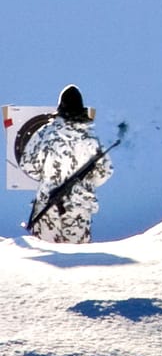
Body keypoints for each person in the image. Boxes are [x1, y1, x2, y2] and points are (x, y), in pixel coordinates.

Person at [20, 84, 114, 243]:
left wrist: (48, 178)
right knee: (78, 256)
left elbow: (27, 165)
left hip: (48, 208)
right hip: (79, 209)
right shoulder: (90, 138)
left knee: (47, 255)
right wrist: (85, 183)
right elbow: (105, 171)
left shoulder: (45, 133)